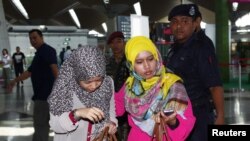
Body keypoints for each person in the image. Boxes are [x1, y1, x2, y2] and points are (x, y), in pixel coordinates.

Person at [115, 36, 195, 141]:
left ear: (157, 57)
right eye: (139, 62)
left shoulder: (173, 85)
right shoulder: (130, 86)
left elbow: (185, 126)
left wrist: (173, 122)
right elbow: (115, 108)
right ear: (131, 65)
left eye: (150, 59)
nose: (147, 66)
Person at [165, 4, 224, 141]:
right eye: (174, 22)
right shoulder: (175, 48)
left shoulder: (201, 46)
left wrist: (220, 116)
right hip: (179, 113)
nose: (179, 26)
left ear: (195, 23)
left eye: (185, 21)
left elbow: (214, 84)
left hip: (198, 115)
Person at [48, 47, 117, 141]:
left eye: (98, 80)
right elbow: (55, 125)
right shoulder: (64, 86)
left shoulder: (108, 83)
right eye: (88, 82)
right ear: (77, 76)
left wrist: (112, 123)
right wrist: (77, 114)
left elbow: (111, 110)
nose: (93, 86)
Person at [8, 29, 59, 141]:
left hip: (45, 96)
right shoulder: (39, 54)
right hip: (42, 95)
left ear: (42, 37)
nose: (32, 40)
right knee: (42, 126)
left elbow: (55, 69)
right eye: (30, 38)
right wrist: (14, 81)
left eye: (35, 37)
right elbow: (29, 73)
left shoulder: (47, 50)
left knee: (41, 126)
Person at [106, 31, 130, 141]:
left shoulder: (130, 61)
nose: (116, 45)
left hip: (128, 105)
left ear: (124, 43)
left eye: (119, 41)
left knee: (127, 133)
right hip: (111, 105)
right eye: (113, 42)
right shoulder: (106, 63)